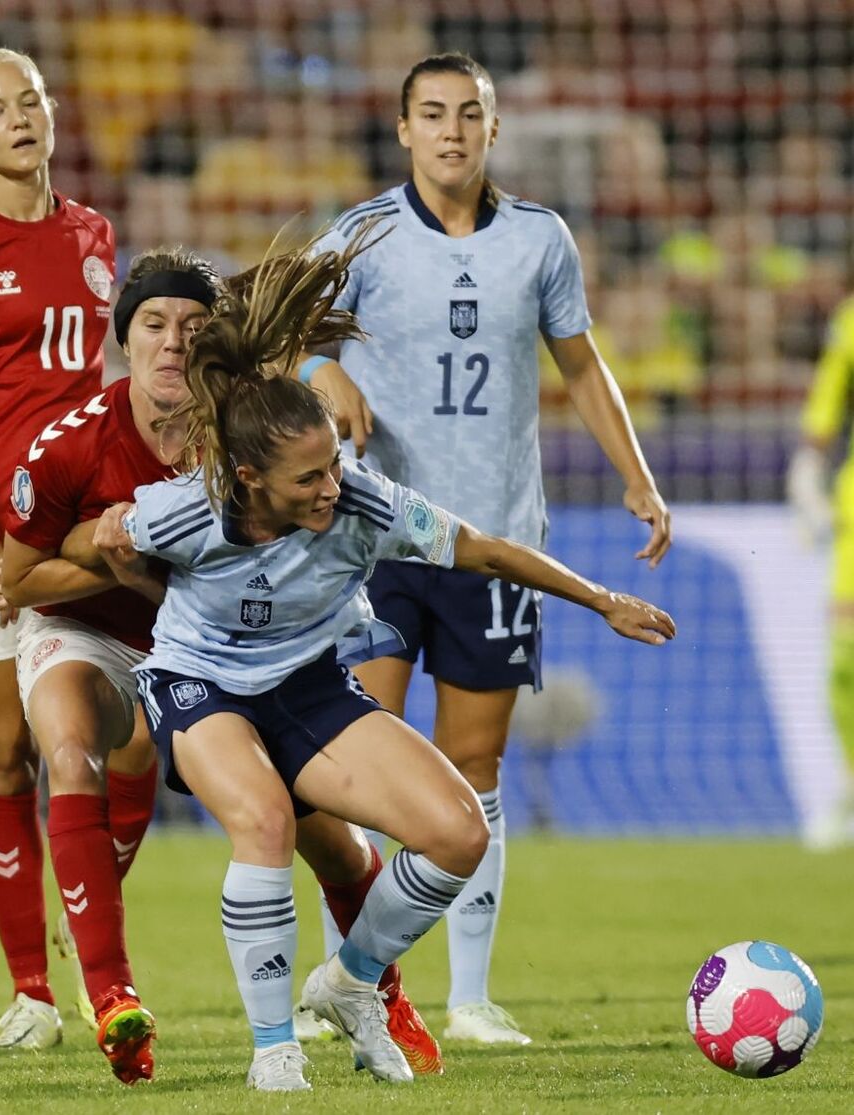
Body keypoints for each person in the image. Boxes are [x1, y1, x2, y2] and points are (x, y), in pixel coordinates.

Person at [89, 239, 675, 1091]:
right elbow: (110, 544)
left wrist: (602, 599)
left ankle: (350, 981)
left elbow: (484, 549)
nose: (334, 486)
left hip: (307, 685)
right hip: (199, 683)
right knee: (263, 820)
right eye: (310, 478)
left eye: (334, 462)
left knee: (457, 830)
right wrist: (119, 561)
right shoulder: (186, 509)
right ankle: (272, 1052)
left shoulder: (364, 501)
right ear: (250, 478)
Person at [1, 245, 442, 1084]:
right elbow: (19, 577)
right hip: (98, 634)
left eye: (192, 328)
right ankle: (112, 998)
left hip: (233, 654)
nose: (173, 342)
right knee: (66, 741)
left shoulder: (253, 430)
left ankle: (379, 997)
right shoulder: (72, 446)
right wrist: (116, 555)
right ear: (125, 343)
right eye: (154, 325)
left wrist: (163, 556)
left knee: (340, 852)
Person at [305, 52, 673, 1045]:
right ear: (402, 129)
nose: (452, 131)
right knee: (356, 760)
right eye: (432, 114)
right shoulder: (364, 233)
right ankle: (371, 978)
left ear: (493, 129)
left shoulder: (541, 241)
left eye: (469, 114)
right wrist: (321, 372)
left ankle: (461, 996)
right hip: (378, 535)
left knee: (475, 765)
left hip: (498, 538)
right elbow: (286, 329)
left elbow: (581, 362)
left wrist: (634, 471)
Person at [0, 47, 156, 1051]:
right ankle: (32, 992)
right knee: (6, 753)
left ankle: (84, 907)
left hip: (76, 520)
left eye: (31, 102)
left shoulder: (92, 232)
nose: (19, 119)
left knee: (131, 739)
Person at [787, 294, 854, 847]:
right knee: (845, 662)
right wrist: (807, 472)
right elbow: (825, 413)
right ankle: (851, 784)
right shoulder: (850, 321)